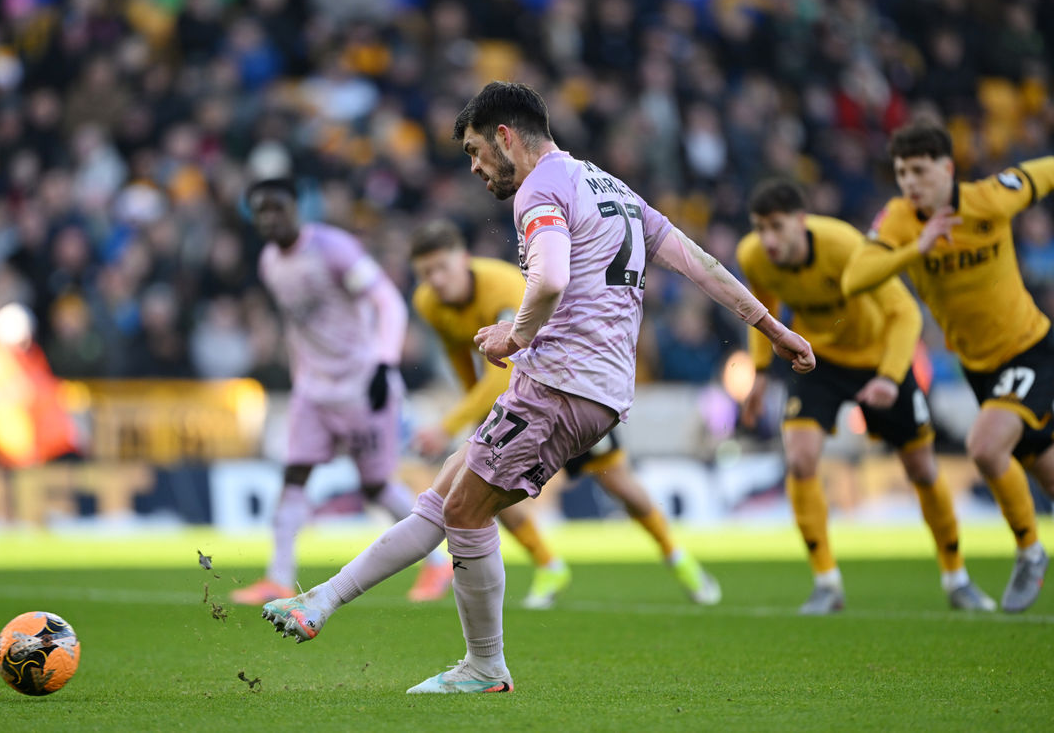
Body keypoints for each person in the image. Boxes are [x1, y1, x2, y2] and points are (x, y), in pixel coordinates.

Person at [260, 81, 814, 693]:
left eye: (475, 151)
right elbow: (700, 262)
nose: (473, 167)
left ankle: (484, 666)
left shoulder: (541, 186)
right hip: (594, 386)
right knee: (445, 496)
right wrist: (770, 326)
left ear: (505, 136)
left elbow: (548, 279)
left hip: (558, 381)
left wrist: (512, 335)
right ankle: (321, 601)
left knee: (466, 511)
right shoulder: (610, 187)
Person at [409, 219, 720, 607]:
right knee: (480, 484)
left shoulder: (502, 287)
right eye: (426, 273)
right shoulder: (427, 302)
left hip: (564, 391)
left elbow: (499, 371)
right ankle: (549, 565)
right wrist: (476, 412)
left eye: (442, 268)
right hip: (516, 402)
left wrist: (448, 424)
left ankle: (678, 558)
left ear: (465, 259)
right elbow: (461, 352)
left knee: (619, 484)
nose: (436, 280)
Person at [737, 179, 994, 614]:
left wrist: (892, 378)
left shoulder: (847, 247)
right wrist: (760, 373)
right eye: (760, 228)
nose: (767, 239)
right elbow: (761, 310)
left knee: (922, 468)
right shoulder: (753, 256)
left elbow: (904, 311)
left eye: (776, 227)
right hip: (816, 361)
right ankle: (826, 582)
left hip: (879, 362)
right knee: (799, 459)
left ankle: (957, 577)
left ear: (801, 222)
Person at [842, 120, 1053, 613]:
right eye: (901, 172)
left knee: (984, 445)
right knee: (1046, 474)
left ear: (947, 169)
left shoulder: (991, 198)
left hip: (1030, 349)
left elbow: (1044, 172)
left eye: (918, 171)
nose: (910, 182)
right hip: (979, 368)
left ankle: (1029, 551)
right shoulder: (899, 220)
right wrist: (917, 249)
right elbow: (854, 278)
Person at [229, 177, 447, 606]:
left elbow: (388, 301)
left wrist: (385, 364)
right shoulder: (269, 263)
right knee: (294, 473)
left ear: (297, 208)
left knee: (375, 486)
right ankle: (278, 577)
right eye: (261, 211)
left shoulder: (333, 248)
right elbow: (298, 328)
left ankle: (439, 565)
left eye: (278, 207)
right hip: (314, 389)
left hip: (361, 383)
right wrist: (300, 379)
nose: (270, 218)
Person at [0, 302, 82, 468]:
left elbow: (43, 388)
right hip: (17, 452)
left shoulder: (29, 356)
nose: (24, 346)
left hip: (47, 447)